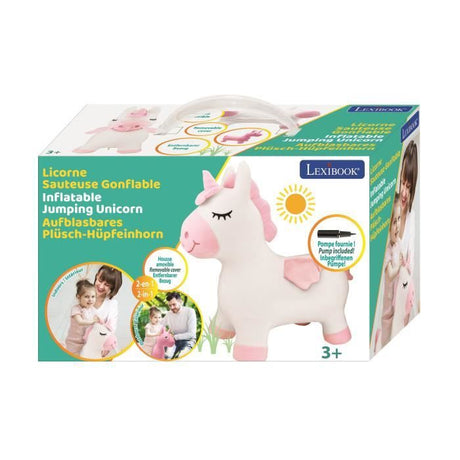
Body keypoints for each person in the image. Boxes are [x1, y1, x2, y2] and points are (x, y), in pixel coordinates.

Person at [381, 194, 403, 347]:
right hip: (389, 309)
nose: (397, 225)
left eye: (399, 219)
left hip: (398, 302)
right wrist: (399, 268)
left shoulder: (399, 243)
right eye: (394, 222)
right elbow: (389, 275)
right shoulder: (387, 250)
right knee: (387, 337)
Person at [65, 280, 100, 354]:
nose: (90, 299)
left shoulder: (93, 310)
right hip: (74, 342)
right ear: (78, 297)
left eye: (93, 296)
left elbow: (99, 321)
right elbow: (80, 322)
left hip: (86, 341)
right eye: (86, 297)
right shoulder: (76, 309)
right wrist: (92, 322)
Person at [398, 140, 418, 271]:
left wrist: (406, 264)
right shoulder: (389, 207)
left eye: (408, 187)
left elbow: (411, 265)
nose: (404, 193)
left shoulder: (411, 217)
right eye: (402, 183)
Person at [162, 292, 197, 359]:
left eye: (174, 304)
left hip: (188, 341)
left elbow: (192, 334)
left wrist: (175, 337)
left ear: (181, 302)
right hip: (173, 341)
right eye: (170, 305)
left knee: (180, 356)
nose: (172, 307)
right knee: (165, 356)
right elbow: (159, 325)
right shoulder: (169, 314)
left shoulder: (190, 312)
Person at [93, 265, 122, 331]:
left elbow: (111, 329)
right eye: (100, 280)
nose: (101, 286)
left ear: (112, 287)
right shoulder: (83, 293)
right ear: (97, 276)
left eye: (107, 285)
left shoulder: (112, 303)